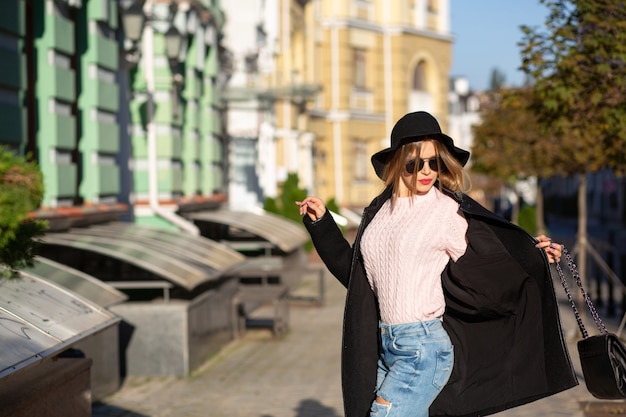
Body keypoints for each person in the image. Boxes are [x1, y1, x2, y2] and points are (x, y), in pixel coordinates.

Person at [295, 111, 577, 417]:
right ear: (396, 163)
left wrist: (533, 255)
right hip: (384, 346)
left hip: (423, 348)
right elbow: (356, 276)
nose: (426, 171)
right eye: (416, 164)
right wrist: (322, 224)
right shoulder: (378, 213)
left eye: (434, 162)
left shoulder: (445, 211)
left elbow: (489, 262)